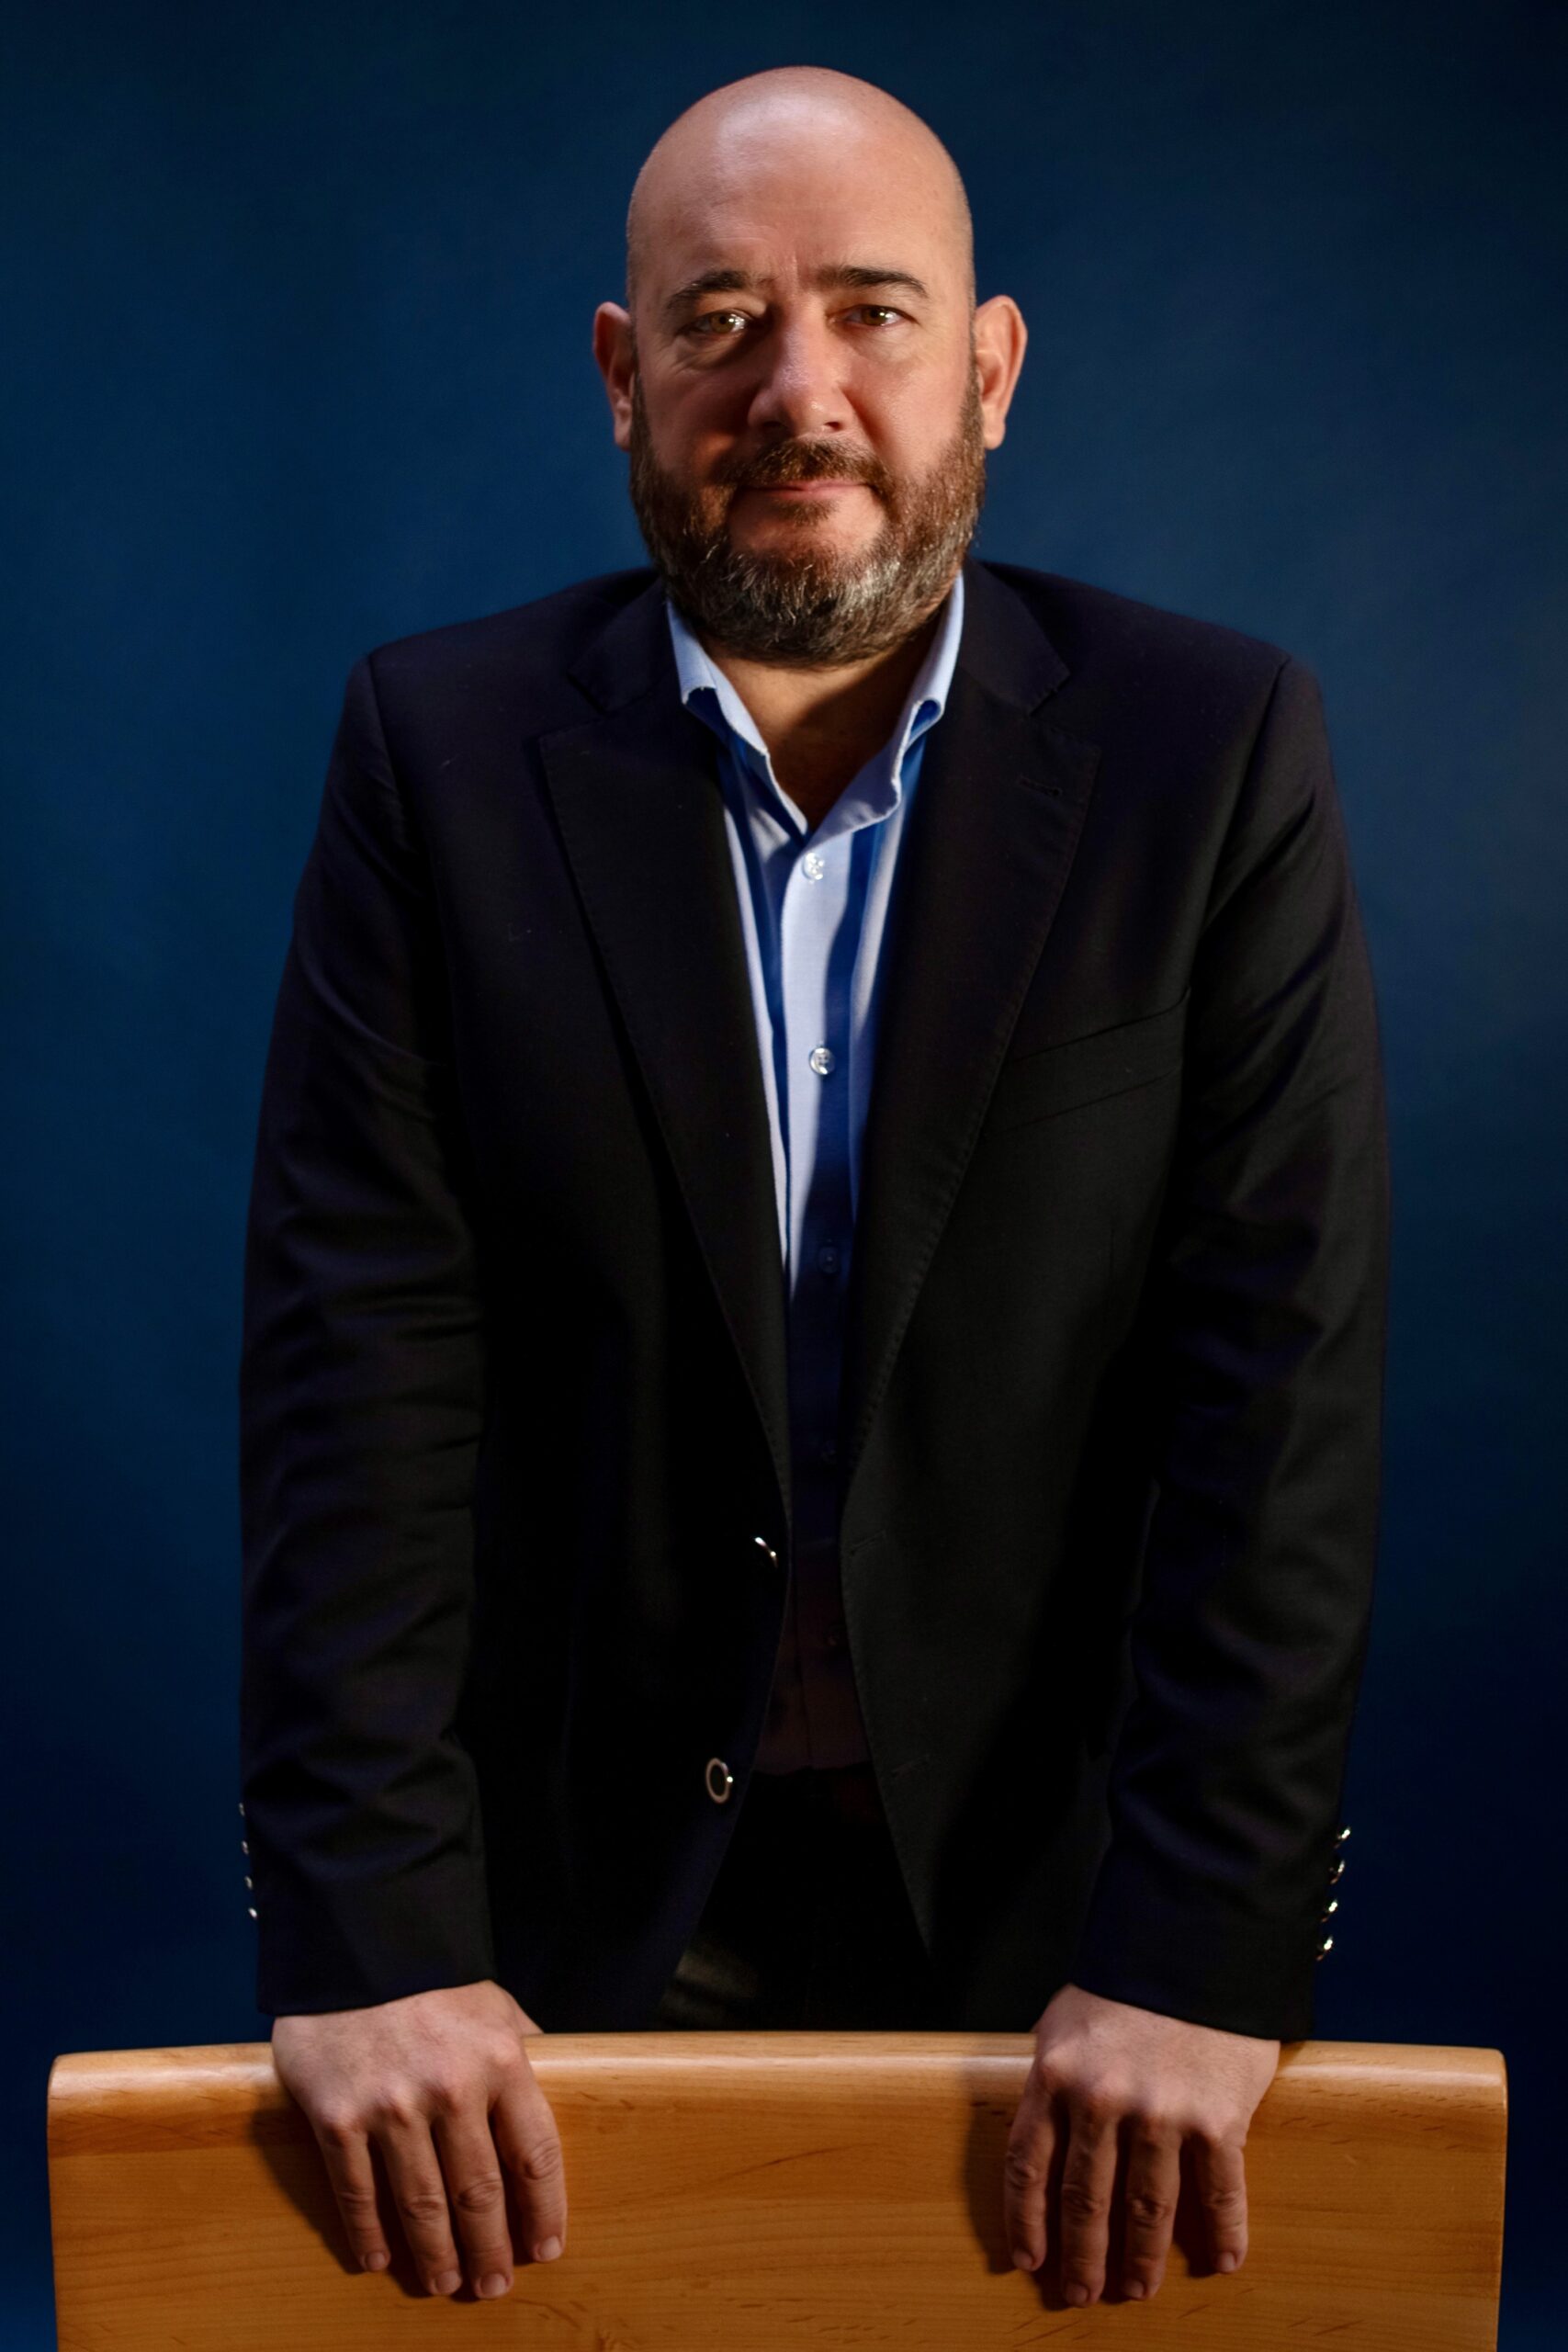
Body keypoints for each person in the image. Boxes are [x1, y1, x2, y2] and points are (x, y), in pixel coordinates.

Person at [239, 63, 1388, 2319]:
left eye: (872, 311)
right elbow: (355, 1378)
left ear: (989, 366)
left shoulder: (1210, 748)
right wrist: (371, 1937)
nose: (798, 391)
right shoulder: (433, 754)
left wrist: (1197, 1944)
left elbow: (1280, 1395)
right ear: (619, 372)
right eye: (719, 321)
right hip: (555, 1924)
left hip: (1068, 1929)